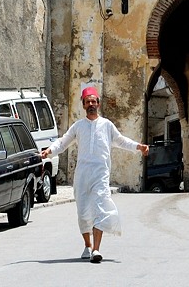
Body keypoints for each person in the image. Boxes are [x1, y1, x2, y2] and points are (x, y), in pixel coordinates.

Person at [41, 86, 149, 264]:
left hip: (101, 174)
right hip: (83, 175)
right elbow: (62, 143)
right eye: (87, 102)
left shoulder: (107, 125)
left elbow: (121, 141)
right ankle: (88, 245)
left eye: (94, 101)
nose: (91, 104)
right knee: (83, 213)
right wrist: (49, 151)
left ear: (98, 103)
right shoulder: (78, 126)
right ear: (83, 105)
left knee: (100, 208)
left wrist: (139, 146)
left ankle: (97, 250)